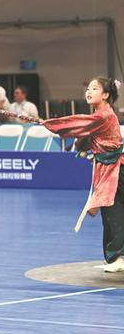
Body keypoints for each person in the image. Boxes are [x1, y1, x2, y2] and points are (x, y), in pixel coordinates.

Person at [43, 77, 124, 273]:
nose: (88, 91)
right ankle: (116, 257)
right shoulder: (100, 116)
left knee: (114, 213)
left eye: (94, 88)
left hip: (116, 170)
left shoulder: (103, 115)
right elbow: (86, 138)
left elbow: (78, 123)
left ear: (105, 95)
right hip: (109, 169)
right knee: (110, 213)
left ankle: (119, 257)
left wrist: (49, 123)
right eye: (88, 88)